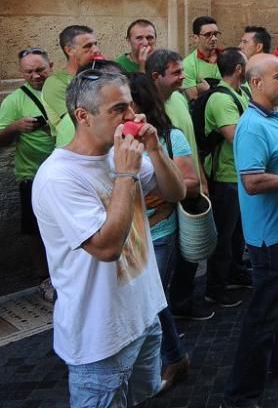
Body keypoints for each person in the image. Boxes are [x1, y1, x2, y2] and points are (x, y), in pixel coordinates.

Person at [32, 70, 185, 408]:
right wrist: (127, 173)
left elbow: (177, 192)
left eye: (130, 106)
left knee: (143, 398)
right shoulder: (58, 177)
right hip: (100, 337)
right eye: (118, 109)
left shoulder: (119, 154)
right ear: (82, 116)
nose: (131, 117)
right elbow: (106, 248)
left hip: (145, 316)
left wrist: (156, 151)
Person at [221, 54, 278, 407]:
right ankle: (241, 394)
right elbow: (254, 181)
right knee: (264, 315)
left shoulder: (275, 117)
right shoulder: (251, 126)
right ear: (256, 82)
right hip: (270, 238)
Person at [126, 72, 201, 393]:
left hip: (160, 231)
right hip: (130, 235)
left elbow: (190, 183)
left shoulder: (169, 138)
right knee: (146, 301)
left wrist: (160, 189)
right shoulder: (115, 143)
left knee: (154, 300)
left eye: (126, 103)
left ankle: (172, 357)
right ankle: (171, 356)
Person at [146, 49, 217, 322]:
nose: (182, 77)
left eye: (182, 71)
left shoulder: (177, 98)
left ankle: (182, 302)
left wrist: (199, 175)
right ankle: (166, 321)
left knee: (188, 249)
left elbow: (187, 141)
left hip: (188, 185)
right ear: (156, 76)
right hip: (165, 196)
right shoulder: (150, 108)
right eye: (176, 73)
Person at [0, 47, 56, 300]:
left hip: (64, 173)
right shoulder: (14, 101)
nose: (35, 75)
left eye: (40, 70)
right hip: (32, 175)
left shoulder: (61, 92)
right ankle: (44, 277)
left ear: (51, 66)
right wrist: (15, 127)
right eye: (29, 72)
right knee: (34, 229)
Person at [203, 47, 252, 309]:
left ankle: (235, 273)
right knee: (223, 234)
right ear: (238, 69)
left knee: (236, 234)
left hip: (239, 174)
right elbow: (236, 137)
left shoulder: (241, 92)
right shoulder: (221, 99)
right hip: (225, 176)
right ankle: (215, 288)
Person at [42, 24, 102, 126]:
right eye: (87, 46)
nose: (96, 50)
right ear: (69, 50)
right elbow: (80, 121)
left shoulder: (97, 74)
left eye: (95, 44)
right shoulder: (55, 83)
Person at [183, 16, 222, 100]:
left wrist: (201, 89)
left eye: (215, 34)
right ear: (195, 38)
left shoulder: (228, 57)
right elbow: (193, 98)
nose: (214, 38)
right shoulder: (187, 64)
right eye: (208, 35)